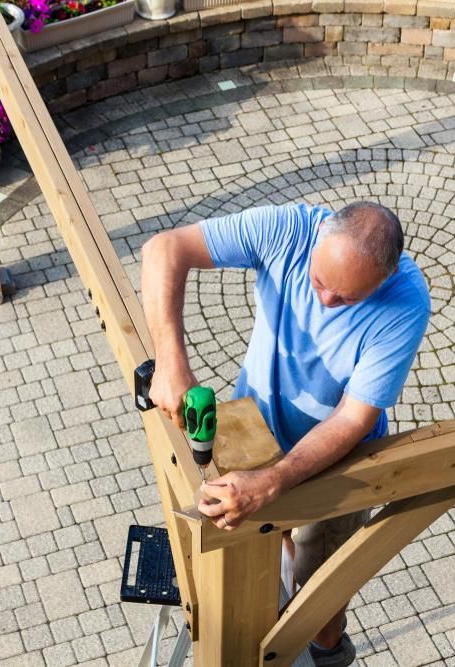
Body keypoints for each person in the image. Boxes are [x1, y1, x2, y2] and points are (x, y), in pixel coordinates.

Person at [140, 201, 430, 666]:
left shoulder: (406, 302)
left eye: (349, 298)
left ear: (385, 278)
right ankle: (284, 564)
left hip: (341, 462)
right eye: (319, 282)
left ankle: (329, 652)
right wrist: (171, 361)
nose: (326, 302)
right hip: (255, 432)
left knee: (321, 593)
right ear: (318, 242)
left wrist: (273, 482)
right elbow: (164, 248)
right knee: (271, 546)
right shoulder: (290, 229)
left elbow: (351, 420)